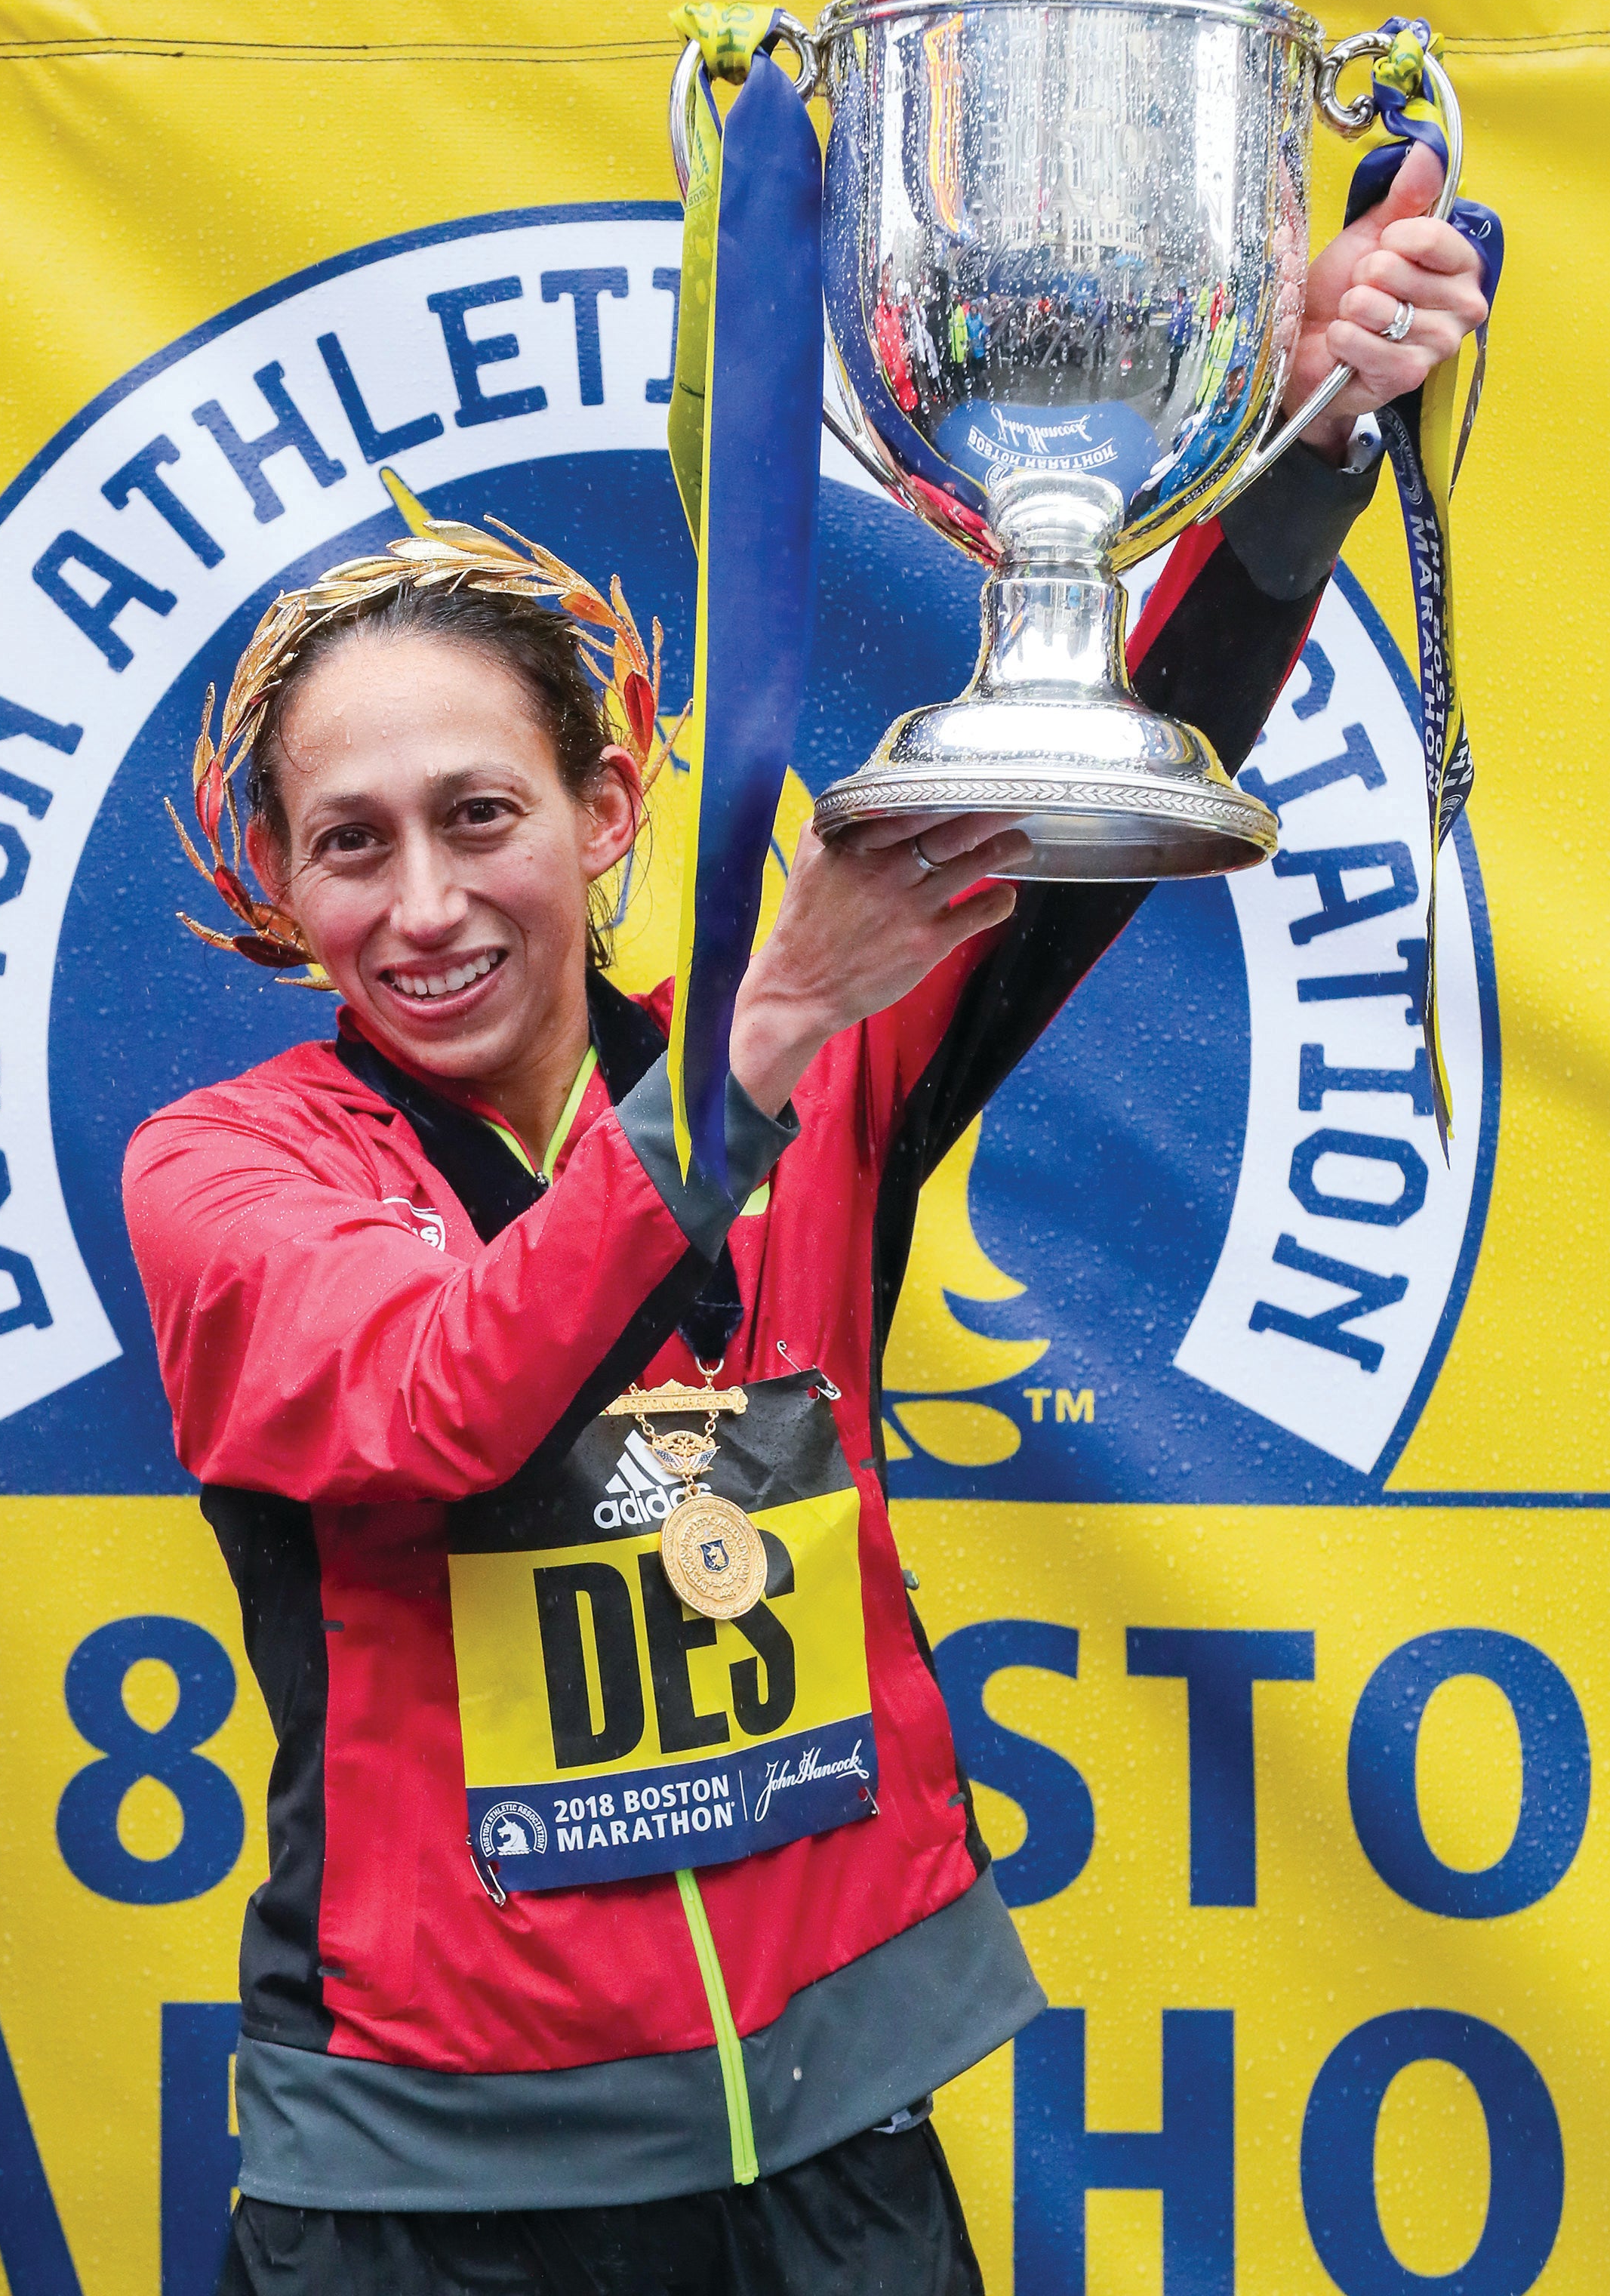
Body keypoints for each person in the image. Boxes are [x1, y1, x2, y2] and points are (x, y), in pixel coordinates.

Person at [124, 142, 1485, 2296]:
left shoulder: (817, 1057)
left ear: (605, 805)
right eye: (347, 847)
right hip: (433, 2197)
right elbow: (432, 1406)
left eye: (480, 818)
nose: (423, 904)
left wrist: (1304, 444)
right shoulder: (232, 1172)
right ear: (276, 892)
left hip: (833, 2155)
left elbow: (1095, 787)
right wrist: (745, 1049)